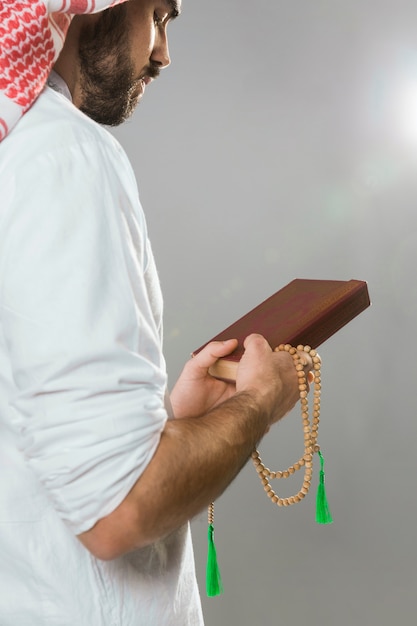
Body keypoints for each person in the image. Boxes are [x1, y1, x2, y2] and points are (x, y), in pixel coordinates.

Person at [0, 1, 312, 623]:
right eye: (160, 16)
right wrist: (260, 402)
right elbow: (119, 513)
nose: (163, 54)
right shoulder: (62, 155)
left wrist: (174, 422)